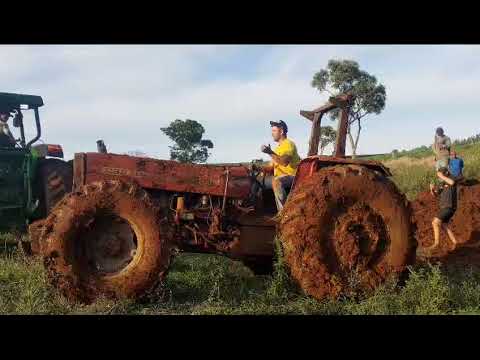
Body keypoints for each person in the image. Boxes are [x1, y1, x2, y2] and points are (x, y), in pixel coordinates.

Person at [260, 120, 301, 211]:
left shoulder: (288, 144)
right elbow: (271, 167)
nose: (272, 134)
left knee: (276, 181)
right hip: (281, 176)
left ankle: (284, 213)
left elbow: (284, 162)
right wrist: (257, 168)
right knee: (256, 182)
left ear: (281, 131)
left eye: (274, 131)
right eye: (272, 131)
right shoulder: (277, 148)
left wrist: (269, 152)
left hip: (293, 176)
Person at [421, 166, 459, 254]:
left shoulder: (451, 178)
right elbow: (435, 195)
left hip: (449, 206)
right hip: (445, 207)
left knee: (435, 222)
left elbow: (452, 182)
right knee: (444, 225)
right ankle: (455, 242)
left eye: (440, 174)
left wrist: (441, 176)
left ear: (445, 173)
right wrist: (432, 189)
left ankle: (436, 243)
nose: (439, 177)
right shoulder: (442, 183)